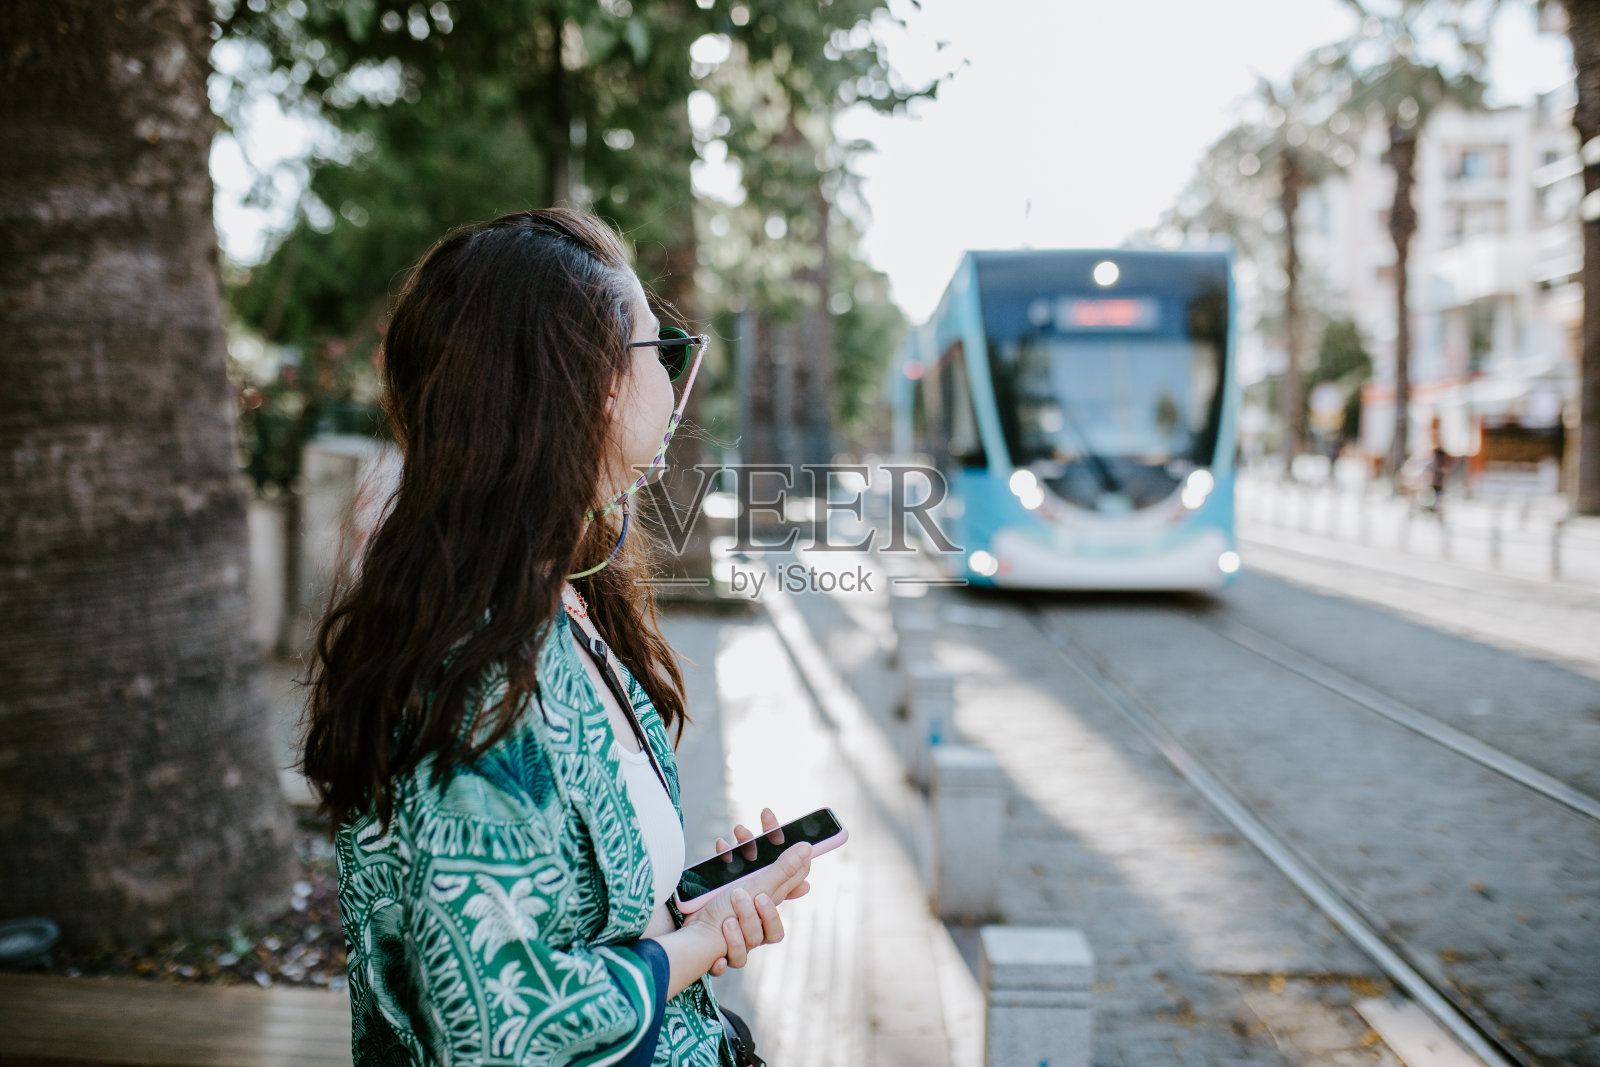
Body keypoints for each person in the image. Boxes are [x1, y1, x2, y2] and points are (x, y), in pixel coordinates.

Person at [299, 209, 812, 1066]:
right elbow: (504, 1029)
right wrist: (704, 943)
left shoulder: (564, 603)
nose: (677, 382)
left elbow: (571, 911)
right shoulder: (475, 675)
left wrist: (694, 904)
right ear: (594, 387)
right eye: (661, 350)